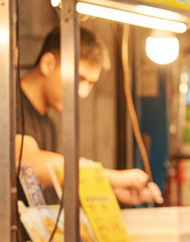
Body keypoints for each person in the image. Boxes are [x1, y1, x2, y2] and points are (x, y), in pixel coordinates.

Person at [17, 25, 160, 205]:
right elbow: (28, 165)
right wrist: (111, 177)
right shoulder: (8, 106)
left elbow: (48, 187)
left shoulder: (48, 125)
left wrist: (110, 190)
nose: (83, 92)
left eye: (91, 83)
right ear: (48, 64)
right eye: (79, 78)